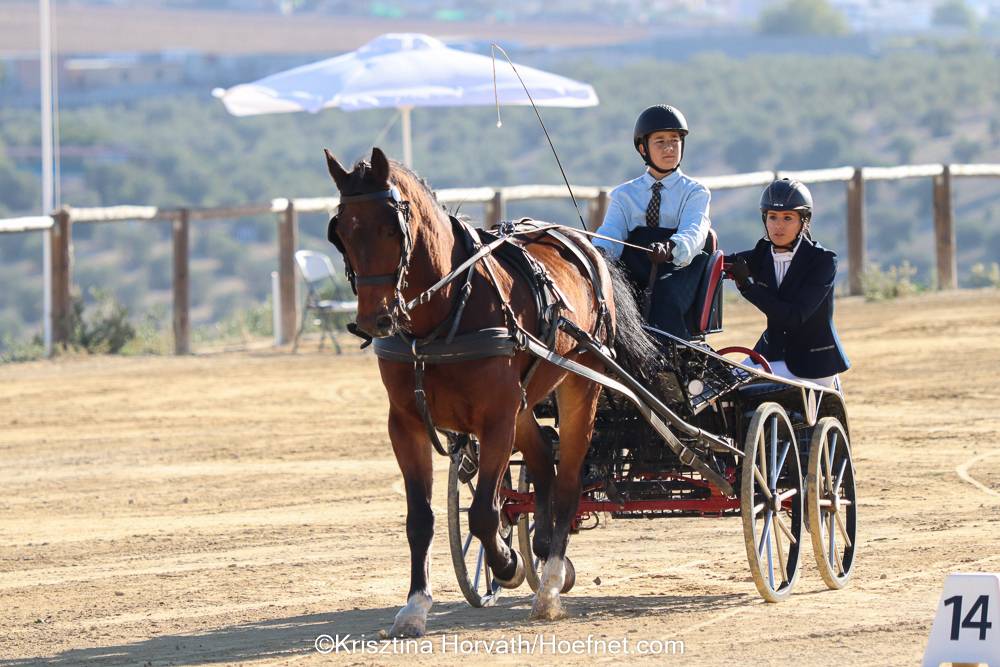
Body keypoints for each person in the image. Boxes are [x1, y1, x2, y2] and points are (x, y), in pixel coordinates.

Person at [591, 104, 712, 340]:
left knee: (663, 295)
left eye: (675, 140)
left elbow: (695, 231)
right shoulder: (624, 195)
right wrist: (598, 253)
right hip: (635, 268)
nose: (669, 148)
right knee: (609, 290)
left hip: (678, 269)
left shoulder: (695, 192)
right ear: (642, 148)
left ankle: (666, 352)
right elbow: (611, 233)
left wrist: (671, 246)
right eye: (660, 141)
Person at [725, 178, 850, 390]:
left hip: (813, 363)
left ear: (804, 221)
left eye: (788, 218)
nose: (778, 225)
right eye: (772, 217)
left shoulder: (823, 261)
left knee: (737, 386)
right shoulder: (762, 254)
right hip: (771, 353)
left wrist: (748, 288)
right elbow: (721, 263)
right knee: (721, 381)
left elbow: (794, 317)